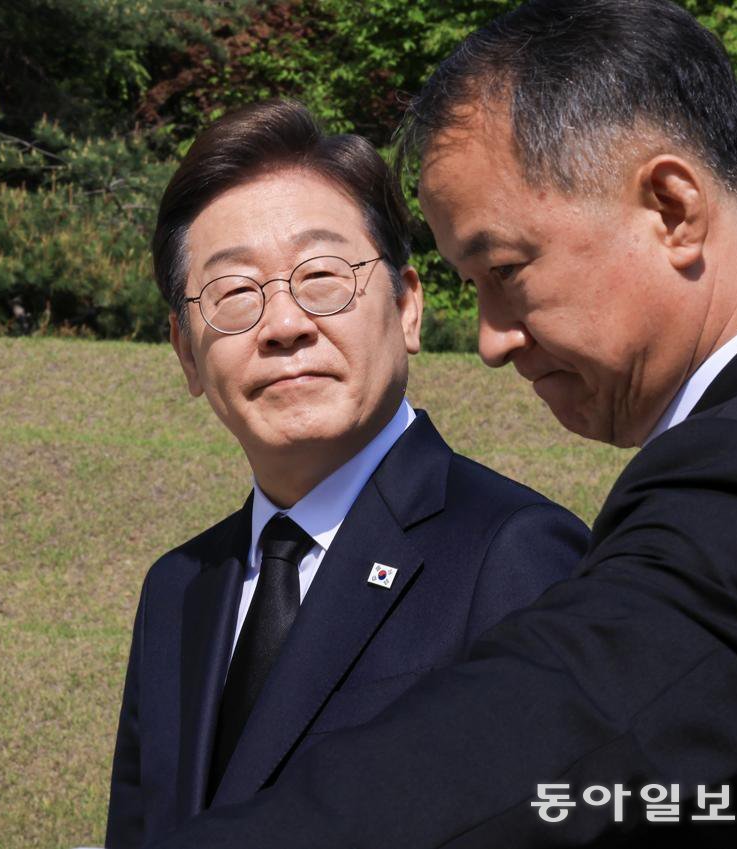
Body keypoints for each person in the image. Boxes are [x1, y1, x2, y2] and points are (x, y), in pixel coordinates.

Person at [145, 1, 737, 847]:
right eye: (234, 293)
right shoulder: (179, 584)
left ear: (671, 208)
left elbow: (558, 748)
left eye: (505, 268)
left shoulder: (723, 477)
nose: (490, 342)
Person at [104, 99, 589, 848]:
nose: (284, 325)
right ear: (186, 353)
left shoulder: (516, 554)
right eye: (234, 294)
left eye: (322, 276)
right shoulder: (178, 587)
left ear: (407, 307)